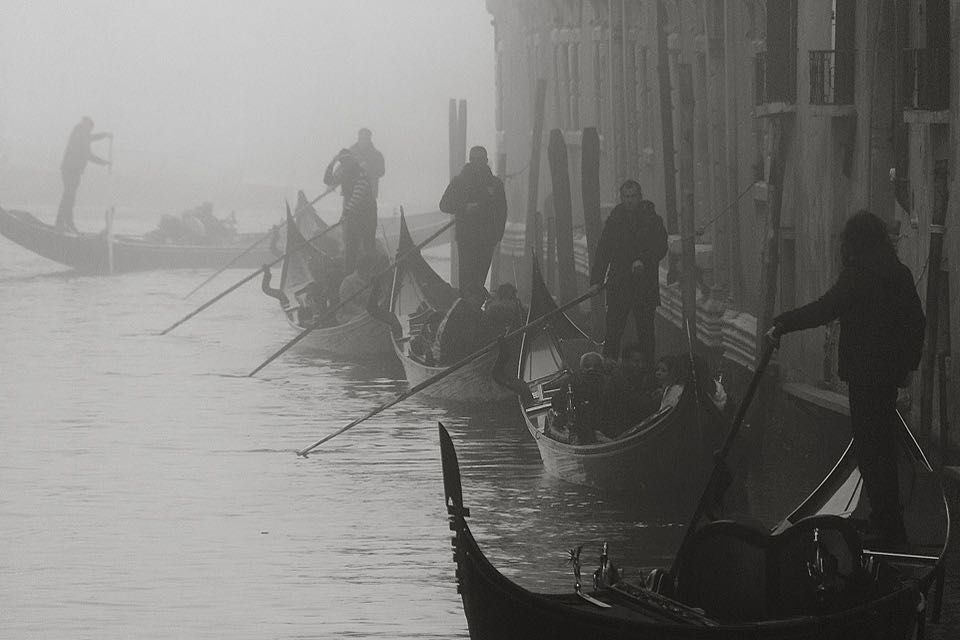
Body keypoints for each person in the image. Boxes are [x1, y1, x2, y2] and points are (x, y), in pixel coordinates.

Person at [766, 210, 925, 549]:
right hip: (887, 375)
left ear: (854, 243)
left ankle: (889, 526)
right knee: (880, 448)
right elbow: (916, 323)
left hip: (865, 375)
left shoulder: (858, 275)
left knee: (871, 451)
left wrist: (783, 323)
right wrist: (907, 367)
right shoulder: (899, 273)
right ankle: (886, 521)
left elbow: (824, 309)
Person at [590, 180, 668, 362]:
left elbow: (661, 246)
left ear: (640, 197)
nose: (630, 200)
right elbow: (603, 252)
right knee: (613, 331)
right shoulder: (614, 222)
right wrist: (596, 281)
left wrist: (645, 261)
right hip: (619, 284)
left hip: (644, 286)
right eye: (626, 197)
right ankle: (608, 367)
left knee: (646, 332)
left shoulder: (652, 220)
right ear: (621, 198)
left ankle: (648, 371)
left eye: (633, 196)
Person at [439, 145, 508, 294]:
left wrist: (497, 236)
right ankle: (466, 307)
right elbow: (444, 205)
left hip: (487, 240)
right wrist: (464, 207)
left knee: (479, 280)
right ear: (470, 161)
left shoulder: (495, 184)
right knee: (466, 280)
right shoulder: (459, 182)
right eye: (474, 160)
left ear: (486, 161)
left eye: (480, 160)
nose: (477, 163)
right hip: (467, 239)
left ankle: (473, 308)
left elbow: (502, 211)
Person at [324, 148, 377, 275]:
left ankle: (371, 273)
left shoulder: (361, 173)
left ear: (351, 160)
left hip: (367, 214)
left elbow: (357, 195)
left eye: (346, 160)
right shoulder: (343, 171)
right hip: (353, 214)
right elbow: (328, 180)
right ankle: (349, 275)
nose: (344, 163)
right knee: (351, 245)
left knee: (368, 245)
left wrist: (346, 212)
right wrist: (332, 162)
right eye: (342, 161)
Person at [56, 116, 112, 232]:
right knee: (68, 198)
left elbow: (92, 137)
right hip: (71, 171)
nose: (90, 131)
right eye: (89, 128)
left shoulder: (80, 133)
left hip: (72, 171)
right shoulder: (80, 134)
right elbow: (87, 154)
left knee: (69, 197)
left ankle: (65, 223)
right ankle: (62, 223)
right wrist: (104, 162)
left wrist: (105, 135)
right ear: (87, 126)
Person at [432, 283, 487, 364]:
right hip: (447, 358)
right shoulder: (462, 311)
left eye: (484, 299)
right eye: (480, 298)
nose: (482, 301)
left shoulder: (461, 307)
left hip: (447, 355)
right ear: (469, 295)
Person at [349, 128, 385, 200]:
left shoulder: (377, 155)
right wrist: (333, 184)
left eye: (365, 138)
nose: (363, 140)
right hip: (350, 193)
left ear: (369, 139)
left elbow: (381, 172)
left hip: (369, 194)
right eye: (361, 138)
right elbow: (342, 169)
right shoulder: (350, 153)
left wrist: (368, 169)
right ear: (358, 138)